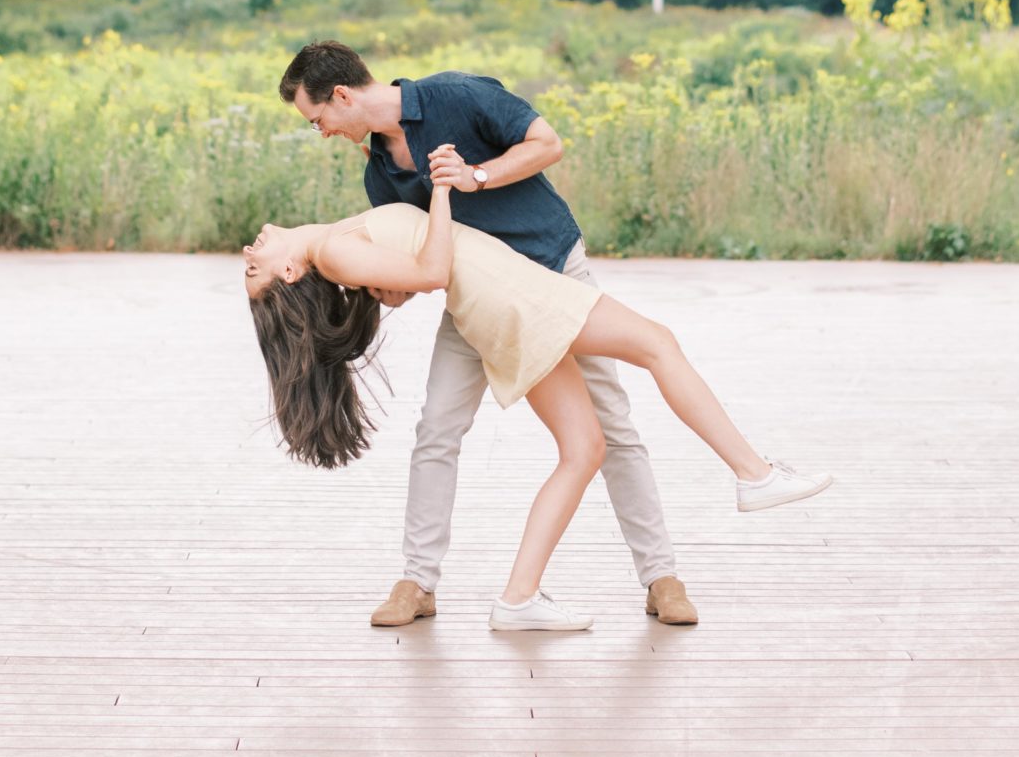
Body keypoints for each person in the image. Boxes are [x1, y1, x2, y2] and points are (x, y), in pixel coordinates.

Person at [270, 40, 823, 629]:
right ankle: (417, 581)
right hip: (475, 300)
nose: (321, 130)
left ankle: (662, 577)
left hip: (552, 267)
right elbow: (419, 272)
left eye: (317, 117)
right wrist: (386, 291)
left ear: (343, 95)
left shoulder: (458, 94)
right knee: (438, 430)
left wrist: (475, 176)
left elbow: (548, 144)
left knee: (612, 426)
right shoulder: (380, 173)